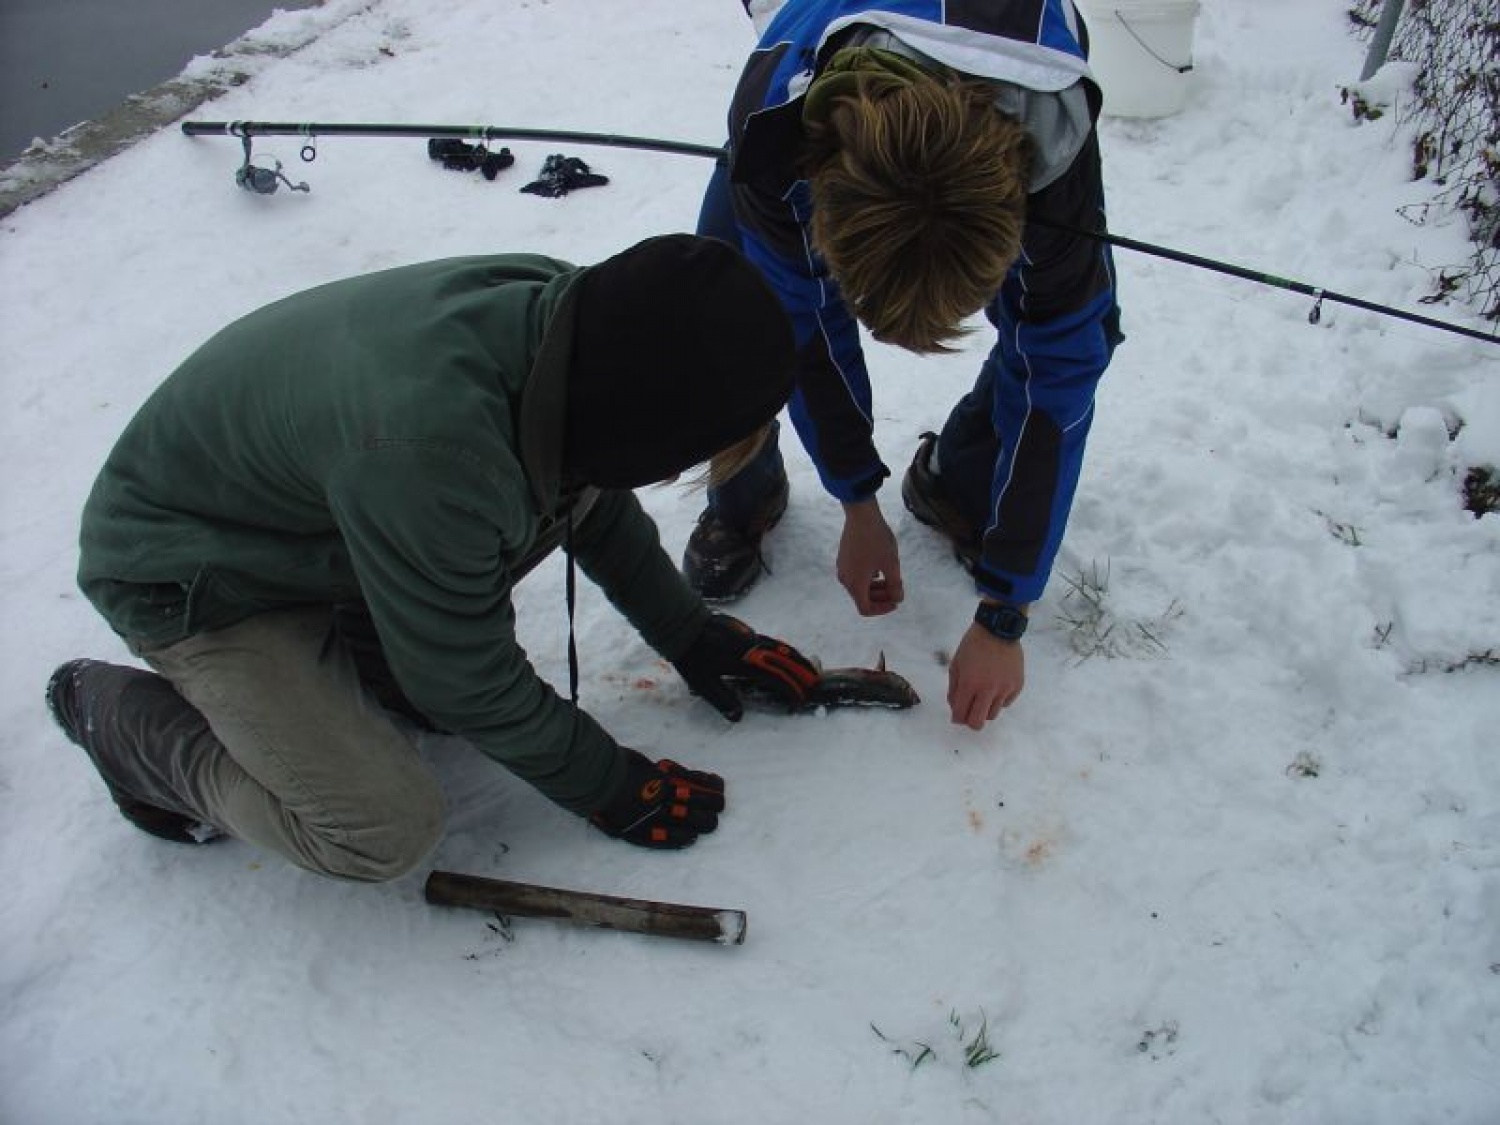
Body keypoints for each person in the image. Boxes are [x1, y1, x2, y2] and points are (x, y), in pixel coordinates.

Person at [45, 233, 827, 883]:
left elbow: (587, 494)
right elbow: (463, 678)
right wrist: (606, 782)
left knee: (428, 683)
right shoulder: (437, 453)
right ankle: (113, 720)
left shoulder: (572, 323)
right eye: (677, 455)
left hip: (317, 523)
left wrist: (689, 634)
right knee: (379, 826)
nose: (666, 474)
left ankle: (357, 643)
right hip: (190, 574)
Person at [685, 0, 1124, 730]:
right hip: (819, 53)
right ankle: (745, 495)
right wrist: (857, 499)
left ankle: (960, 479)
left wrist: (1007, 610)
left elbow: (1060, 370)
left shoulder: (1055, 150)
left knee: (1072, 329)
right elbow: (803, 325)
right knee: (734, 309)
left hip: (1024, 72)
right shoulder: (776, 130)